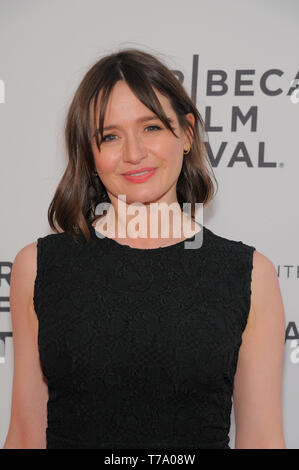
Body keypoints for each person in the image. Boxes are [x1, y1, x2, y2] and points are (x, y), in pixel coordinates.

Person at [3, 48, 286, 449]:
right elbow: (26, 433)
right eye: (110, 136)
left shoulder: (249, 274)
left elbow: (261, 439)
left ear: (187, 134)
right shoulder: (38, 268)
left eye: (151, 127)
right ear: (90, 152)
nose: (133, 153)